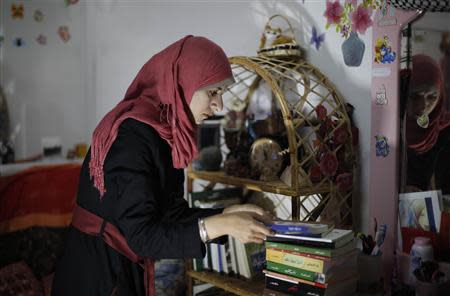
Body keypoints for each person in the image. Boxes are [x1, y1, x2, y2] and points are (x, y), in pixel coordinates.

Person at [51, 35, 274, 296]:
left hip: (118, 268)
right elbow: (143, 236)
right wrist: (222, 226)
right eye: (212, 92)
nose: (219, 105)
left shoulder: (163, 132)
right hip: (98, 276)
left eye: (222, 93)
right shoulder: (132, 137)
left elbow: (169, 215)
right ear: (182, 84)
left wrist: (226, 215)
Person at [404, 54, 450, 194]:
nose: (423, 106)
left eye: (432, 97)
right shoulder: (390, 126)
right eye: (415, 96)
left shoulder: (445, 130)